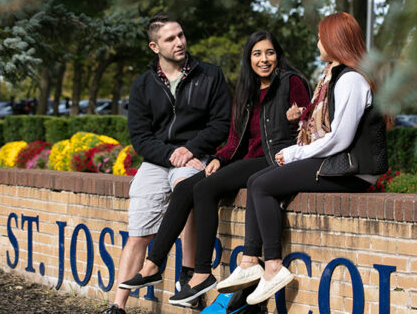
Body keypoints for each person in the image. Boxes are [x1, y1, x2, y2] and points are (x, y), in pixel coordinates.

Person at [119, 30, 311, 306]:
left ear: (278, 55)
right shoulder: (247, 90)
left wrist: (297, 117)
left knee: (206, 188)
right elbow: (235, 138)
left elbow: (310, 124)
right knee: (188, 186)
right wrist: (220, 158)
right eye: (257, 54)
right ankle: (153, 265)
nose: (264, 59)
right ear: (249, 59)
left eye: (269, 52)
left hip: (275, 158)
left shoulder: (291, 82)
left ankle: (200, 273)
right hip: (247, 159)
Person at [216, 12, 385, 305]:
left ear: (334, 40)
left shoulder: (351, 80)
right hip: (337, 164)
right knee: (257, 179)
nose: (317, 42)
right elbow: (327, 131)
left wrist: (297, 153)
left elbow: (340, 138)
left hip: (351, 171)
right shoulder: (334, 77)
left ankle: (272, 268)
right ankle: (249, 263)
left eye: (321, 36)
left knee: (262, 185)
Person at [104, 12, 231, 314]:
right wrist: (169, 154)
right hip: (156, 161)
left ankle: (187, 280)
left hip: (193, 155)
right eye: (170, 39)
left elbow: (221, 123)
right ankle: (118, 305)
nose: (179, 42)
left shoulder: (210, 75)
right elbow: (140, 136)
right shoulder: (142, 85)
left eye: (181, 35)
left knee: (188, 187)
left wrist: (191, 149)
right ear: (154, 47)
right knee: (138, 228)